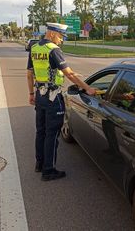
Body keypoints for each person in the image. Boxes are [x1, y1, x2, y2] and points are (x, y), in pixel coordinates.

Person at [27, 23, 96, 181]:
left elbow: (30, 74)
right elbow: (69, 75)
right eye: (60, 36)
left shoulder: (35, 47)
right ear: (51, 34)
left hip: (40, 95)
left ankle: (39, 163)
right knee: (52, 134)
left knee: (41, 131)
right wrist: (87, 88)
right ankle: (49, 170)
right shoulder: (54, 49)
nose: (62, 40)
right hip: (53, 97)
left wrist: (31, 93)